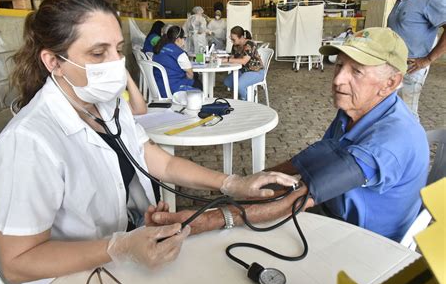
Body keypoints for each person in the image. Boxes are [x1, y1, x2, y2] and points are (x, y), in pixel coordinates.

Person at [0, 0, 300, 284]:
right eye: (98, 53)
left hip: (124, 257)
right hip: (70, 279)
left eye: (118, 49)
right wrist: (119, 247)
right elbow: (17, 262)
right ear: (53, 62)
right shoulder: (27, 142)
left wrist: (232, 183)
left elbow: (159, 161)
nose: (115, 63)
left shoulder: (108, 106)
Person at [149, 28, 430, 243]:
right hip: (333, 214)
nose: (338, 80)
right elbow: (312, 160)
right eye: (339, 66)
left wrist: (204, 219)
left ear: (390, 83)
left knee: (235, 234)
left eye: (356, 71)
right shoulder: (357, 110)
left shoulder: (391, 139)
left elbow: (301, 196)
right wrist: (245, 184)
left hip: (364, 241)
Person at [387, 0, 446, 118]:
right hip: (393, 66)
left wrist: (427, 59)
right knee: (391, 110)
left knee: (407, 114)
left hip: (411, 68)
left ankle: (413, 140)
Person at [152, 25, 202, 98]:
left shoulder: (159, 48)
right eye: (184, 38)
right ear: (178, 39)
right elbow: (190, 75)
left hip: (158, 86)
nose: (184, 41)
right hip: (174, 88)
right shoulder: (179, 53)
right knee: (197, 82)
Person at [223, 26, 265, 100]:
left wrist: (227, 60)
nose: (232, 41)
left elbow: (244, 61)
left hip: (255, 71)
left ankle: (246, 100)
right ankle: (245, 93)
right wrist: (221, 59)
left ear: (242, 37)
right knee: (227, 82)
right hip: (243, 71)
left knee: (239, 85)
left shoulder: (250, 44)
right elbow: (233, 57)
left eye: (233, 39)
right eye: (231, 39)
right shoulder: (235, 45)